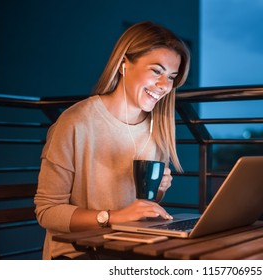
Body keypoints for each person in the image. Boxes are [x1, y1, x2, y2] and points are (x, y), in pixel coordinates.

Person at [34, 21, 190, 260]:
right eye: (156, 71)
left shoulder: (157, 128)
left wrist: (156, 193)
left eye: (171, 77)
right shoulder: (76, 122)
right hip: (77, 256)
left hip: (130, 249)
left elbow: (137, 207)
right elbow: (47, 212)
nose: (164, 86)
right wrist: (113, 217)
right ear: (124, 64)